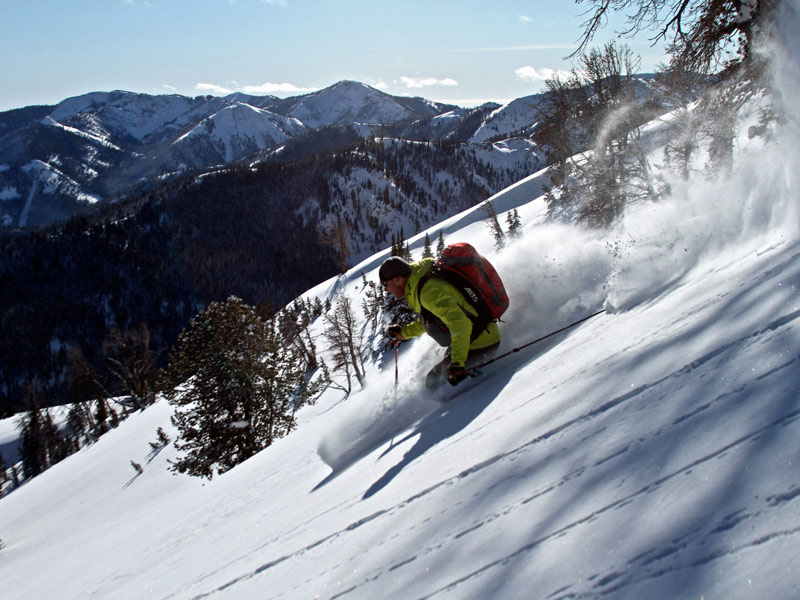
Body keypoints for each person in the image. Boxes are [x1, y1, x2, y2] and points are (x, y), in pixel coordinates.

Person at [379, 256, 501, 387]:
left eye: (385, 285)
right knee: (435, 377)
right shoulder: (419, 284)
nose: (386, 290)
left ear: (397, 280)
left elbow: (459, 324)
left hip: (481, 342)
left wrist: (458, 365)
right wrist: (403, 333)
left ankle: (480, 391)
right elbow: (432, 319)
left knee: (433, 383)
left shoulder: (428, 292)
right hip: (473, 338)